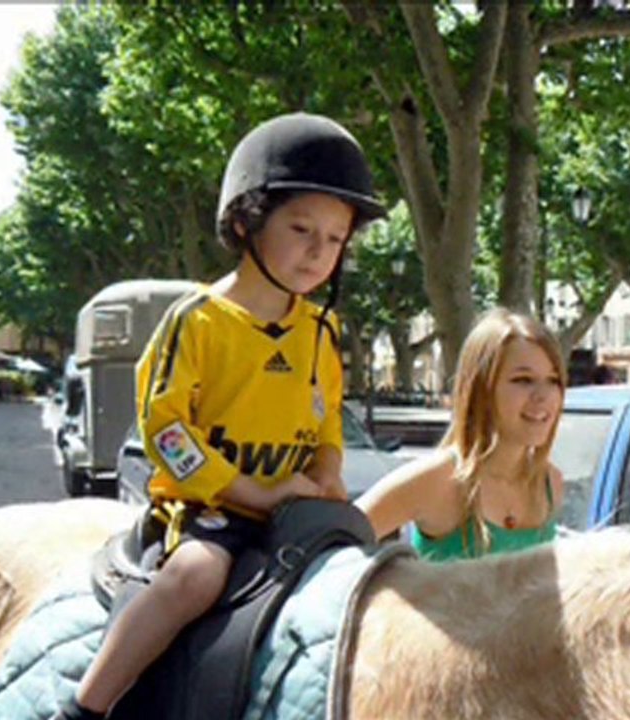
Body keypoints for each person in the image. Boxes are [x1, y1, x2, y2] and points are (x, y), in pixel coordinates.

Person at [56, 112, 385, 720]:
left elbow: (326, 418)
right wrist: (255, 494)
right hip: (210, 510)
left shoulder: (321, 330)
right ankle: (86, 708)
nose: (320, 252)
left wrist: (328, 469)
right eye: (301, 229)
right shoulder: (197, 321)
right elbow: (166, 431)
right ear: (245, 222)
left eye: (336, 239)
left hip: (298, 509)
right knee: (195, 579)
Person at [356, 309, 566, 561]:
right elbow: (336, 541)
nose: (543, 395)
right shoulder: (438, 480)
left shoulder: (550, 483)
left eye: (553, 380)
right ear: (481, 388)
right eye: (523, 380)